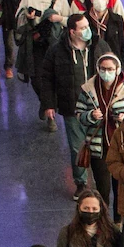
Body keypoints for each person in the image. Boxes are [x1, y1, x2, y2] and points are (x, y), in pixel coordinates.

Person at [76, 48, 124, 220]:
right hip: (98, 148)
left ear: (117, 70)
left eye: (110, 69)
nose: (106, 72)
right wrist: (90, 116)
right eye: (102, 68)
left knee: (120, 187)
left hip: (120, 147)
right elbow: (79, 114)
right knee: (102, 188)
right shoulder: (88, 89)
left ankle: (118, 221)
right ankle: (102, 221)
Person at [42, 13, 96, 176]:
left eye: (88, 26)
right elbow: (47, 78)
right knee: (77, 146)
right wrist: (49, 104)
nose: (88, 30)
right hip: (71, 106)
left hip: (96, 106)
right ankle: (81, 182)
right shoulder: (57, 51)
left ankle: (99, 182)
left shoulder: (97, 46)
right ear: (72, 31)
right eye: (83, 28)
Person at [15, 0, 69, 125]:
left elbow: (69, 18)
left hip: (53, 42)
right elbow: (18, 16)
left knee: (53, 77)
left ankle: (49, 112)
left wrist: (58, 19)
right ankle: (46, 103)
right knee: (36, 78)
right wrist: (27, 16)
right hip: (35, 43)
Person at [87, 0, 124, 72]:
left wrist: (123, 66)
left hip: (113, 66)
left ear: (107, 0)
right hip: (90, 66)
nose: (99, 0)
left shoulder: (117, 20)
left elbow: (123, 45)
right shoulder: (84, 20)